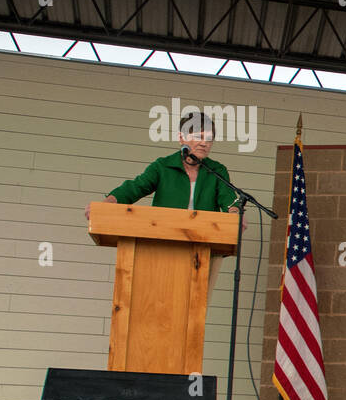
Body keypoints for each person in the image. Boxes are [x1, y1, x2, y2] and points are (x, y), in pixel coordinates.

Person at [84, 111, 241, 292]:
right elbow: (135, 188)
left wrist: (235, 214)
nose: (204, 143)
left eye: (209, 139)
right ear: (181, 137)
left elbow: (230, 200)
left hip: (205, 247)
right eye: (199, 136)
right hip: (164, 245)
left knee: (196, 306)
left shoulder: (217, 170)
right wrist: (107, 204)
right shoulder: (163, 166)